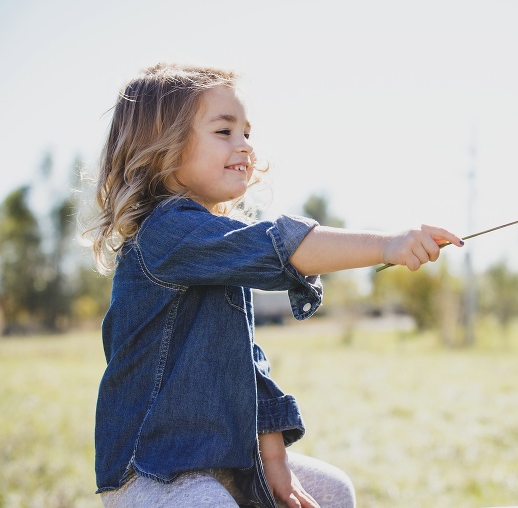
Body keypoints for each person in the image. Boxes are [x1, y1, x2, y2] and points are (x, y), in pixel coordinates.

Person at [85, 63, 463, 508]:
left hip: (224, 461)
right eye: (224, 131)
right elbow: (282, 246)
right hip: (151, 469)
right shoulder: (167, 233)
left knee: (333, 490)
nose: (244, 145)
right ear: (162, 147)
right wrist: (388, 244)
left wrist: (275, 460)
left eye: (246, 132)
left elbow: (248, 363)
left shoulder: (214, 247)